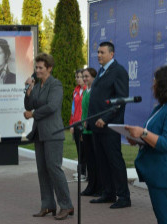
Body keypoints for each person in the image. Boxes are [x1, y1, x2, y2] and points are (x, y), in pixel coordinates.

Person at [125, 65, 167, 224]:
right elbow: (154, 137)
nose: (152, 85)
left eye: (155, 82)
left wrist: (142, 133)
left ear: (165, 85)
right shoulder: (161, 108)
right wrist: (137, 139)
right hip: (159, 175)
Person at [24, 53, 74, 220]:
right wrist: (28, 90)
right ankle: (47, 205)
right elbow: (29, 105)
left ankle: (66, 206)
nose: (37, 71)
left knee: (54, 169)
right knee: (42, 170)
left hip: (53, 133)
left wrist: (33, 114)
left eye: (40, 68)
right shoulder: (38, 86)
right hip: (40, 134)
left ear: (49, 68)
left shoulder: (55, 85)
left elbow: (52, 106)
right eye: (36, 67)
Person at [87, 41, 131, 209]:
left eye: (102, 52)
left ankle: (124, 196)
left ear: (111, 54)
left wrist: (105, 118)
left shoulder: (118, 71)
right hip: (96, 124)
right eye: (98, 52)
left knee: (114, 160)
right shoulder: (101, 71)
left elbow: (120, 100)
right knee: (102, 160)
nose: (98, 55)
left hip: (110, 124)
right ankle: (108, 193)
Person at [80, 67, 103, 196]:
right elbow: (83, 111)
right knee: (89, 159)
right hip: (85, 129)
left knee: (96, 159)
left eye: (87, 76)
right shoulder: (85, 91)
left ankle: (99, 187)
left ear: (94, 77)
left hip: (93, 128)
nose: (85, 79)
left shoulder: (95, 91)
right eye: (83, 76)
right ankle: (91, 185)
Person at [69, 69, 87, 180]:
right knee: (79, 148)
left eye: (80, 76)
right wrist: (71, 124)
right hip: (75, 123)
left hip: (83, 123)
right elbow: (73, 109)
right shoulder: (75, 91)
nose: (78, 79)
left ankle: (84, 173)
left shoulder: (87, 90)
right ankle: (81, 172)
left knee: (84, 149)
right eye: (76, 77)